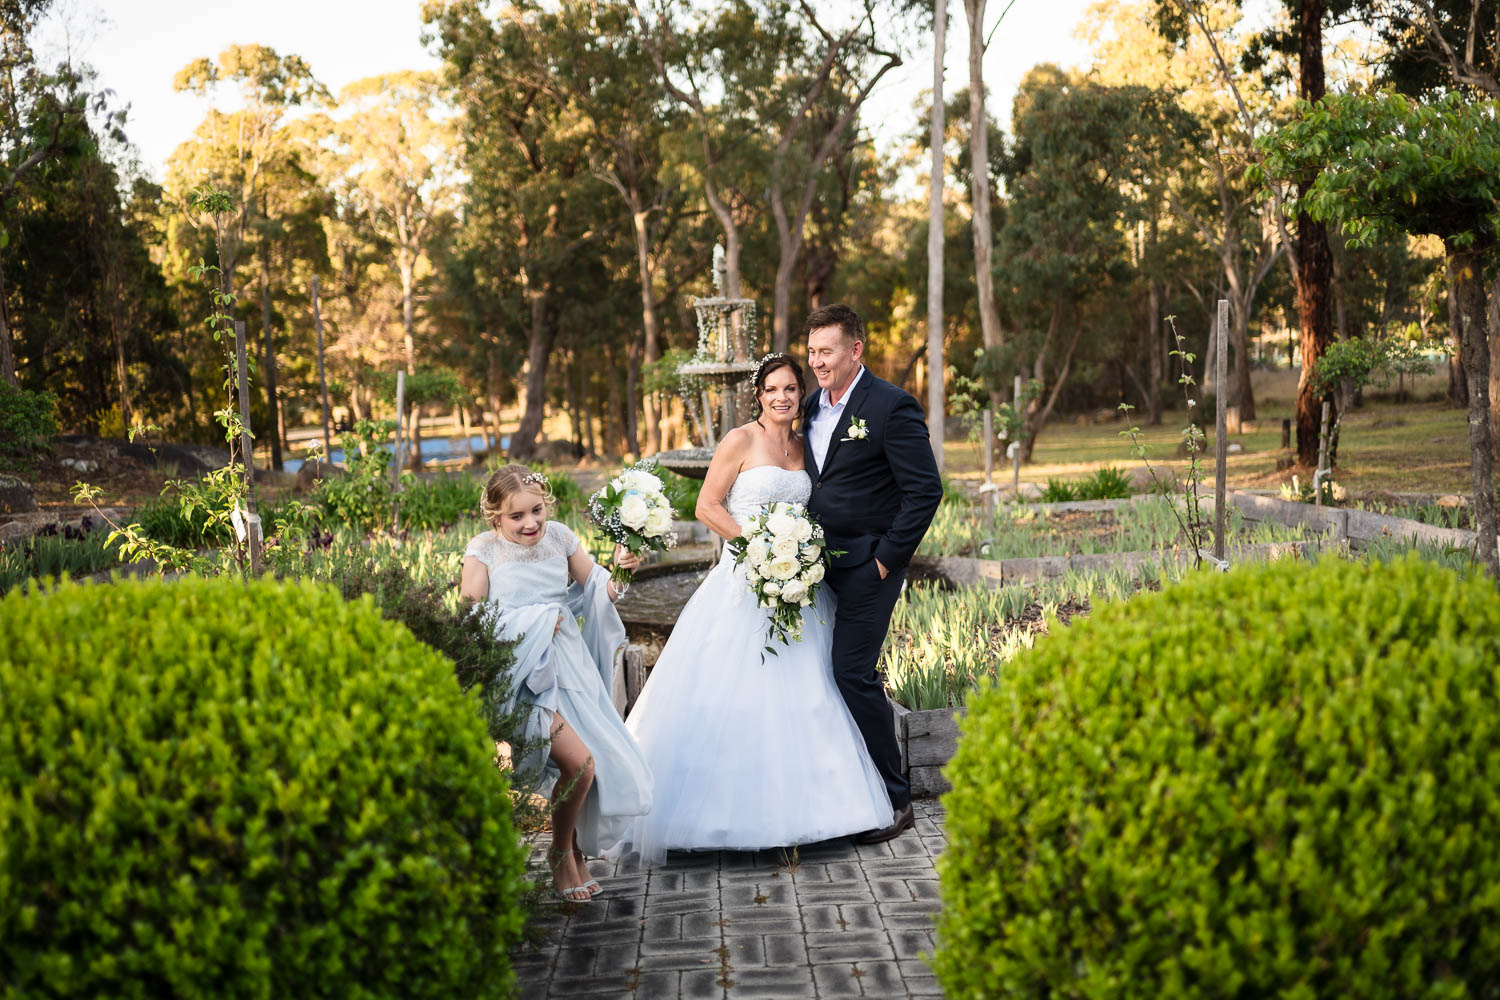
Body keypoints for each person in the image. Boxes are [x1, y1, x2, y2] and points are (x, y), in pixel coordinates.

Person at [610, 354, 895, 864]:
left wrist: (796, 553)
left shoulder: (805, 444)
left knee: (812, 690)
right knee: (735, 691)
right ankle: (715, 819)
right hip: (744, 578)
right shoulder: (739, 440)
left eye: (791, 388)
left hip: (798, 583)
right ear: (758, 396)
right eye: (772, 389)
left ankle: (821, 815)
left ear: (799, 395)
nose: (782, 397)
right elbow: (707, 506)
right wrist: (758, 546)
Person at [461, 465, 652, 901]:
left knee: (594, 765)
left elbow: (599, 590)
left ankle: (577, 854)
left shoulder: (561, 537)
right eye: (517, 516)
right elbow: (470, 619)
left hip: (568, 667)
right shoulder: (483, 551)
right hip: (522, 673)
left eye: (537, 511)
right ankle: (560, 854)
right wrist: (532, 624)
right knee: (580, 764)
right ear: (495, 516)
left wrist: (621, 572)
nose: (530, 523)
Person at [803, 303, 943, 843]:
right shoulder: (812, 406)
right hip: (813, 570)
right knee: (819, 674)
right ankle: (842, 788)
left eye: (827, 351)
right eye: (812, 351)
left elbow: (924, 491)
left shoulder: (890, 406)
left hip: (869, 568)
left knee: (850, 673)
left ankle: (895, 797)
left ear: (855, 350)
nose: (817, 361)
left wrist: (886, 558)